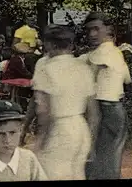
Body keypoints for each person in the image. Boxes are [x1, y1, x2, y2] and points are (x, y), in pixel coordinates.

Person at [31, 25, 98, 180]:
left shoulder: (46, 69)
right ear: (71, 44)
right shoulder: (83, 68)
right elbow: (94, 113)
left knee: (49, 174)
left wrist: (40, 141)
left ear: (50, 44)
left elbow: (44, 112)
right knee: (77, 174)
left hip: (59, 129)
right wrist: (91, 142)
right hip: (81, 128)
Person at [82, 12, 132, 180]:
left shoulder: (104, 51)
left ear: (109, 29)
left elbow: (89, 68)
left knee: (97, 159)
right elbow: (126, 79)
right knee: (110, 158)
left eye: (96, 29)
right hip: (116, 109)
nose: (92, 34)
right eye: (89, 30)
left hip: (104, 108)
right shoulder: (117, 53)